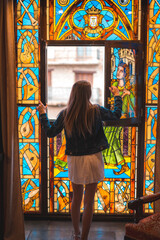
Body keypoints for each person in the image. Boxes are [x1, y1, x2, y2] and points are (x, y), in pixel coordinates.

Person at [37, 81, 122, 240]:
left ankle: (76, 234)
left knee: (76, 198)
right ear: (89, 94)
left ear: (73, 94)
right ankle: (84, 237)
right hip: (93, 159)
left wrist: (42, 113)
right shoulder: (96, 110)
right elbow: (116, 114)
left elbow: (50, 132)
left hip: (75, 160)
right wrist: (117, 95)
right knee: (89, 202)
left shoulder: (65, 113)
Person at [103, 61, 135, 175]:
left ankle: (117, 164)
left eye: (121, 71)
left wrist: (129, 93)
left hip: (122, 117)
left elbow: (133, 104)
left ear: (126, 74)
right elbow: (110, 101)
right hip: (112, 115)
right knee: (112, 139)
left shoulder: (129, 88)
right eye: (118, 70)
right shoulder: (114, 86)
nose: (118, 73)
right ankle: (123, 165)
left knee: (111, 139)